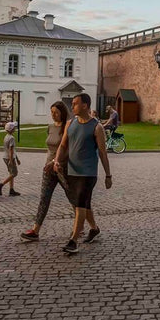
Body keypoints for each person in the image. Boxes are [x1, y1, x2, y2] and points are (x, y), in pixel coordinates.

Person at [53, 93, 112, 254]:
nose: (72, 107)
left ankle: (73, 241)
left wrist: (108, 175)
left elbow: (102, 152)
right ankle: (94, 228)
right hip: (72, 171)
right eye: (72, 104)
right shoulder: (70, 124)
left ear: (85, 105)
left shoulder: (97, 127)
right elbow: (63, 146)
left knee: (79, 205)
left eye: (75, 104)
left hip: (88, 173)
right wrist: (56, 160)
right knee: (84, 205)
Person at [22, 101, 71, 241]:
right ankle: (35, 230)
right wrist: (48, 161)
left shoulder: (67, 127)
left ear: (62, 112)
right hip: (48, 169)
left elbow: (68, 149)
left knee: (73, 198)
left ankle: (82, 226)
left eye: (56, 112)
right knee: (44, 198)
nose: (53, 115)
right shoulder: (50, 127)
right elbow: (49, 147)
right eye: (51, 112)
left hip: (62, 168)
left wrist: (55, 161)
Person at [0, 122, 21, 196]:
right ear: (12, 129)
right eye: (14, 128)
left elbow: (13, 150)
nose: (15, 129)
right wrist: (11, 160)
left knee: (11, 173)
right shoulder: (12, 138)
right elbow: (11, 150)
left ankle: (11, 189)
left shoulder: (6, 136)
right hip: (9, 158)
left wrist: (17, 158)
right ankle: (0, 185)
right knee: (14, 173)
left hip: (5, 157)